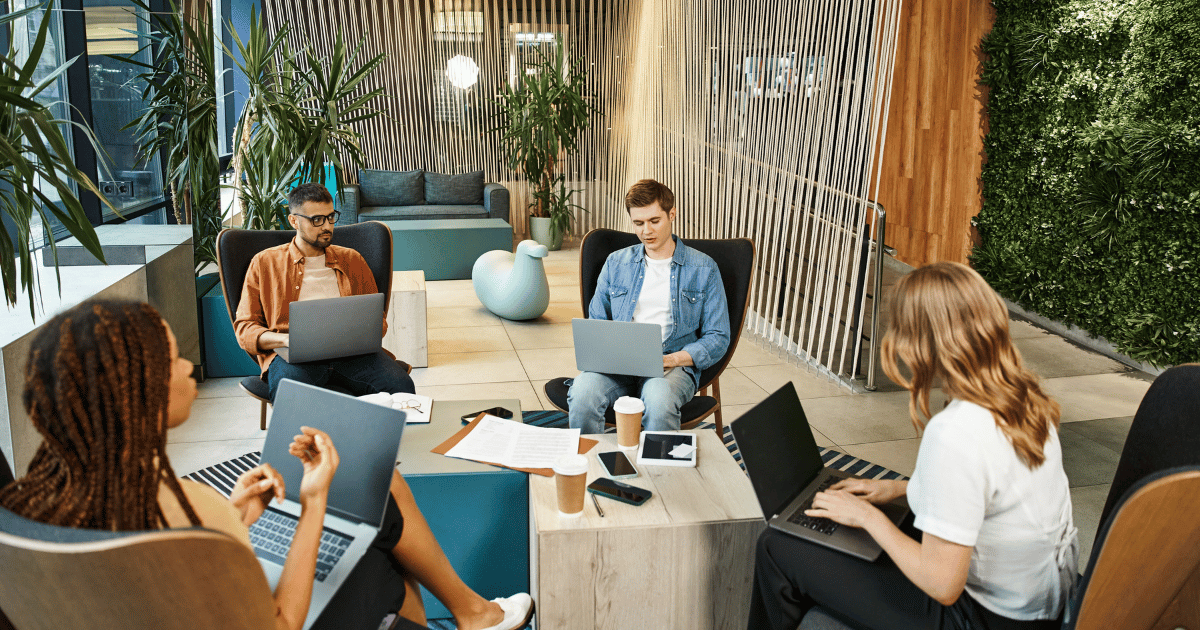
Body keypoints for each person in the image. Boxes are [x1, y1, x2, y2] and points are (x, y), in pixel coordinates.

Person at [0, 300, 533, 630]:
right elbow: (280, 624)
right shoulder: (187, 512)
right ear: (138, 396)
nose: (188, 366)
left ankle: (470, 615)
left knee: (377, 534)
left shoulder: (33, 506)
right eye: (173, 359)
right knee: (378, 553)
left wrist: (236, 517)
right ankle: (472, 615)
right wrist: (314, 500)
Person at [747, 261, 1078, 630]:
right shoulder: (1023, 396)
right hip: (1038, 605)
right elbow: (986, 492)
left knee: (776, 548)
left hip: (980, 618)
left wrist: (867, 517)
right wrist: (895, 489)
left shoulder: (955, 432)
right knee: (859, 530)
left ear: (923, 342)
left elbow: (943, 585)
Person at [567, 179, 730, 434]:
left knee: (659, 401)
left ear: (672, 214)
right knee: (582, 394)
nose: (646, 231)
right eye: (638, 223)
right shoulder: (616, 263)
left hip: (672, 365)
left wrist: (673, 359)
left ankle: (659, 472)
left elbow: (718, 337)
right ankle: (591, 468)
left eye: (655, 221)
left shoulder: (703, 268)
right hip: (618, 364)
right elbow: (597, 321)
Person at [235, 183, 415, 402]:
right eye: (317, 220)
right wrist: (285, 340)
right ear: (294, 221)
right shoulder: (264, 263)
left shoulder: (352, 260)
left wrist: (364, 334)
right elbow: (245, 329)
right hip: (293, 358)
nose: (327, 226)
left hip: (353, 355)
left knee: (402, 386)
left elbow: (378, 320)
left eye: (331, 217)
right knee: (292, 395)